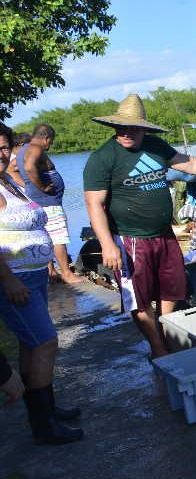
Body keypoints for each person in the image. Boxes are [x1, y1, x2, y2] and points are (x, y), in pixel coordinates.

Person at [82, 94, 196, 359]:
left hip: (164, 235)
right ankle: (158, 347)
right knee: (137, 298)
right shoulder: (103, 158)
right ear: (114, 127)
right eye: (121, 127)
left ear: (143, 128)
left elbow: (191, 164)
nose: (126, 133)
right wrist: (106, 244)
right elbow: (94, 204)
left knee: (171, 287)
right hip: (130, 239)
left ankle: (166, 329)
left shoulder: (155, 146)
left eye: (132, 127)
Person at [0, 122, 83, 444]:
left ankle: (47, 410)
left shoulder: (8, 180)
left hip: (33, 276)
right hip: (14, 280)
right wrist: (7, 280)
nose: (2, 154)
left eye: (5, 147)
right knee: (46, 342)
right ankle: (43, 426)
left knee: (30, 344)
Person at [18, 124, 85, 284]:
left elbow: (13, 170)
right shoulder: (35, 148)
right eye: (51, 141)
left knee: (46, 236)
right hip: (48, 202)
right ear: (46, 137)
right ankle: (67, 274)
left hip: (37, 201)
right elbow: (29, 167)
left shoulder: (22, 150)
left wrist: (26, 186)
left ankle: (51, 272)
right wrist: (42, 187)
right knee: (58, 238)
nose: (51, 145)